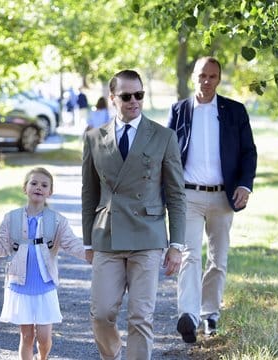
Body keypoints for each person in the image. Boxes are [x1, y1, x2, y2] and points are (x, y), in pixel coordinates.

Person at [82, 69, 186, 360]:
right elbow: (89, 193)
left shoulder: (163, 136)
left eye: (139, 95)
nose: (134, 101)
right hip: (107, 235)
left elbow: (176, 194)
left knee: (141, 316)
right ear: (112, 98)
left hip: (147, 234)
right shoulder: (93, 138)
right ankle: (112, 354)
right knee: (101, 313)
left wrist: (176, 245)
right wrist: (88, 241)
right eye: (126, 96)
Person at [167, 56, 257, 343]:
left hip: (223, 195)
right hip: (188, 196)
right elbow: (167, 155)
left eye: (212, 77)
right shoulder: (179, 110)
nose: (206, 81)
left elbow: (248, 153)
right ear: (194, 76)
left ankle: (210, 314)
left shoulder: (234, 111)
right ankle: (189, 316)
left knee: (218, 259)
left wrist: (245, 185)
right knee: (189, 256)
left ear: (219, 79)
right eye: (201, 75)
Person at [0, 167, 86, 360]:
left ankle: (42, 357)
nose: (39, 187)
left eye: (44, 185)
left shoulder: (56, 221)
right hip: (20, 285)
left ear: (50, 192)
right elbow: (0, 249)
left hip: (45, 286)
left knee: (44, 338)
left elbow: (73, 244)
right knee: (27, 336)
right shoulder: (11, 218)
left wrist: (94, 254)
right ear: (25, 188)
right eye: (34, 183)